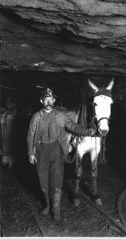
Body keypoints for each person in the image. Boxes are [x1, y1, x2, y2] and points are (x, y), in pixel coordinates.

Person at [27, 88, 91, 221]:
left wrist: (87, 131)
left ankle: (56, 210)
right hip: (41, 151)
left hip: (57, 150)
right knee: (43, 182)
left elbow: (73, 126)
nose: (48, 102)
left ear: (54, 100)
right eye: (46, 100)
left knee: (56, 181)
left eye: (51, 99)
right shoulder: (36, 117)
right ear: (41, 101)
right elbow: (30, 136)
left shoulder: (60, 115)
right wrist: (30, 153)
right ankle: (47, 205)